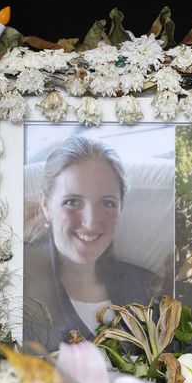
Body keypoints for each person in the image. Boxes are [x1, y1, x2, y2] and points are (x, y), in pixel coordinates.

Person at [23, 136, 159, 350]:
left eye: (107, 203)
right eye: (72, 202)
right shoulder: (14, 283)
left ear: (121, 208)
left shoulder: (147, 290)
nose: (90, 222)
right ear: (46, 205)